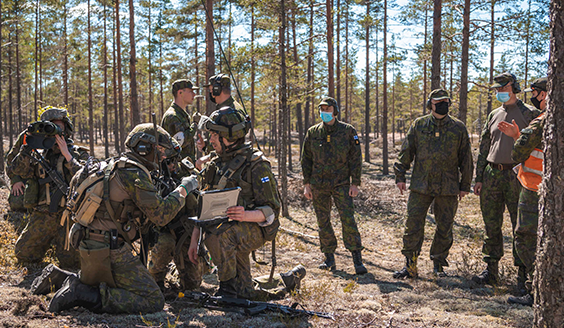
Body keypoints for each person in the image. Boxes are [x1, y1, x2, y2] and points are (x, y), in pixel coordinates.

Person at [47, 123, 198, 314]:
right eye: (158, 150)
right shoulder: (133, 173)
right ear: (144, 149)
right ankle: (82, 293)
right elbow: (161, 215)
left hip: (90, 243)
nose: (162, 156)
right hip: (110, 249)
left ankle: (61, 278)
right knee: (153, 299)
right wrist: (184, 188)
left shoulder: (111, 164)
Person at [187, 107, 303, 300]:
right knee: (246, 293)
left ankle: (227, 289)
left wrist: (245, 215)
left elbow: (271, 211)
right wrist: (194, 239)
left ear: (229, 137)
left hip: (254, 228)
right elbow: (204, 205)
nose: (211, 139)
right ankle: (288, 281)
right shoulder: (216, 163)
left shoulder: (256, 165)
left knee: (219, 235)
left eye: (215, 135)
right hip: (227, 228)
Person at [392, 89, 473, 278]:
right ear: (431, 104)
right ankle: (410, 265)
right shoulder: (419, 125)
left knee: (444, 226)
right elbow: (406, 151)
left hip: (448, 186)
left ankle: (438, 265)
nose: (443, 104)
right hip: (421, 184)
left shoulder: (458, 128)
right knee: (413, 223)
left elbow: (466, 158)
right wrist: (400, 176)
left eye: (446, 101)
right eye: (439, 102)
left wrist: (465, 185)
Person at [472, 72, 541, 286]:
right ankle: (490, 270)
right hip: (492, 174)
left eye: (502, 88)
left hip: (517, 174)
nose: (498, 92)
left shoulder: (530, 113)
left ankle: (523, 276)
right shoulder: (494, 114)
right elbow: (485, 146)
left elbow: (537, 144)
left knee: (519, 225)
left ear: (512, 87)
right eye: (496, 89)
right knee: (491, 223)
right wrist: (479, 177)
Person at [9, 107, 89, 269]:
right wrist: (28, 145)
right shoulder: (37, 153)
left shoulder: (78, 153)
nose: (55, 131)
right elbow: (17, 170)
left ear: (66, 128)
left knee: (72, 263)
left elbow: (87, 179)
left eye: (59, 127)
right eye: (50, 127)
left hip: (69, 215)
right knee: (23, 254)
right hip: (43, 214)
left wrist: (68, 155)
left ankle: (59, 246)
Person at [301, 97, 367, 275]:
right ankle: (329, 258)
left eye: (327, 108)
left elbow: (356, 158)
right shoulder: (313, 132)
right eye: (321, 109)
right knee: (323, 221)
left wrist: (355, 183)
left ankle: (357, 259)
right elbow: (305, 159)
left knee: (348, 219)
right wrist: (307, 184)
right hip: (318, 185)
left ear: (335, 110)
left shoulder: (347, 131)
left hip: (342, 184)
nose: (324, 112)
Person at [498, 77, 547, 306]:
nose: (533, 96)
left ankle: (536, 290)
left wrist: (518, 137)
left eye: (536, 92)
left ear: (545, 94)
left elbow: (519, 152)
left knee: (526, 239)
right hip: (545, 189)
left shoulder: (540, 121)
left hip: (533, 189)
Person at [147, 138, 204, 293]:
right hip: (162, 232)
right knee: (164, 246)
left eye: (174, 161)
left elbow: (200, 206)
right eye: (168, 162)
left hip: (186, 231)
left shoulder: (186, 172)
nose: (172, 165)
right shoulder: (151, 176)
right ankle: (157, 277)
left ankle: (174, 271)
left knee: (193, 284)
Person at [161, 79, 200, 162]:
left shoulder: (181, 114)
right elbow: (181, 143)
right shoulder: (173, 116)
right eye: (190, 91)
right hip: (177, 169)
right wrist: (195, 124)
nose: (194, 94)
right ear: (180, 93)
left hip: (185, 166)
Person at [5, 132, 28, 212]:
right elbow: (10, 160)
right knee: (17, 204)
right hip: (26, 178)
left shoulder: (55, 133)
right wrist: (15, 180)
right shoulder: (26, 134)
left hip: (49, 180)